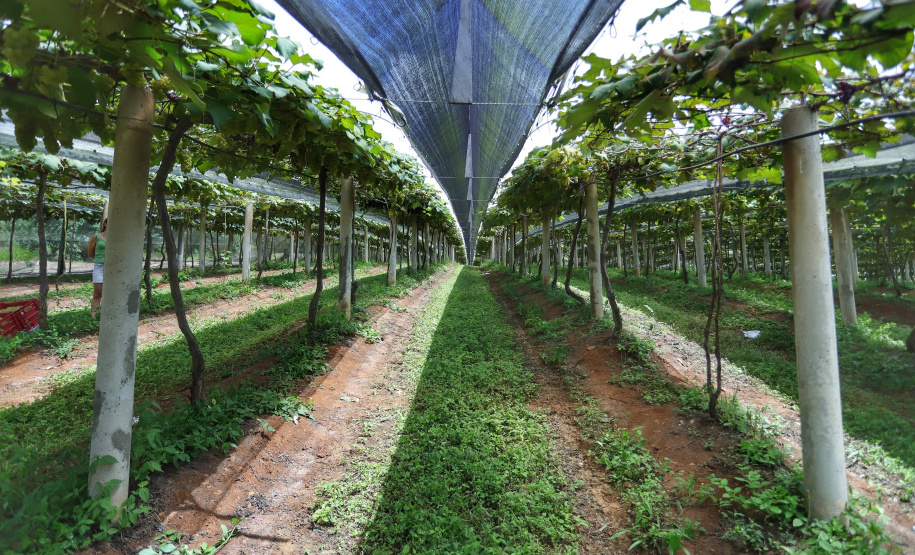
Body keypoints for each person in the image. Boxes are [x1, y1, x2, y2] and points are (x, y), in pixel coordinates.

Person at [88, 219, 107, 318]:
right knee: (97, 293)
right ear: (105, 224)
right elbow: (90, 253)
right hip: (99, 266)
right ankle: (93, 316)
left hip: (113, 268)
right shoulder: (96, 236)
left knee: (110, 293)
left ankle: (107, 315)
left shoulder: (117, 238)